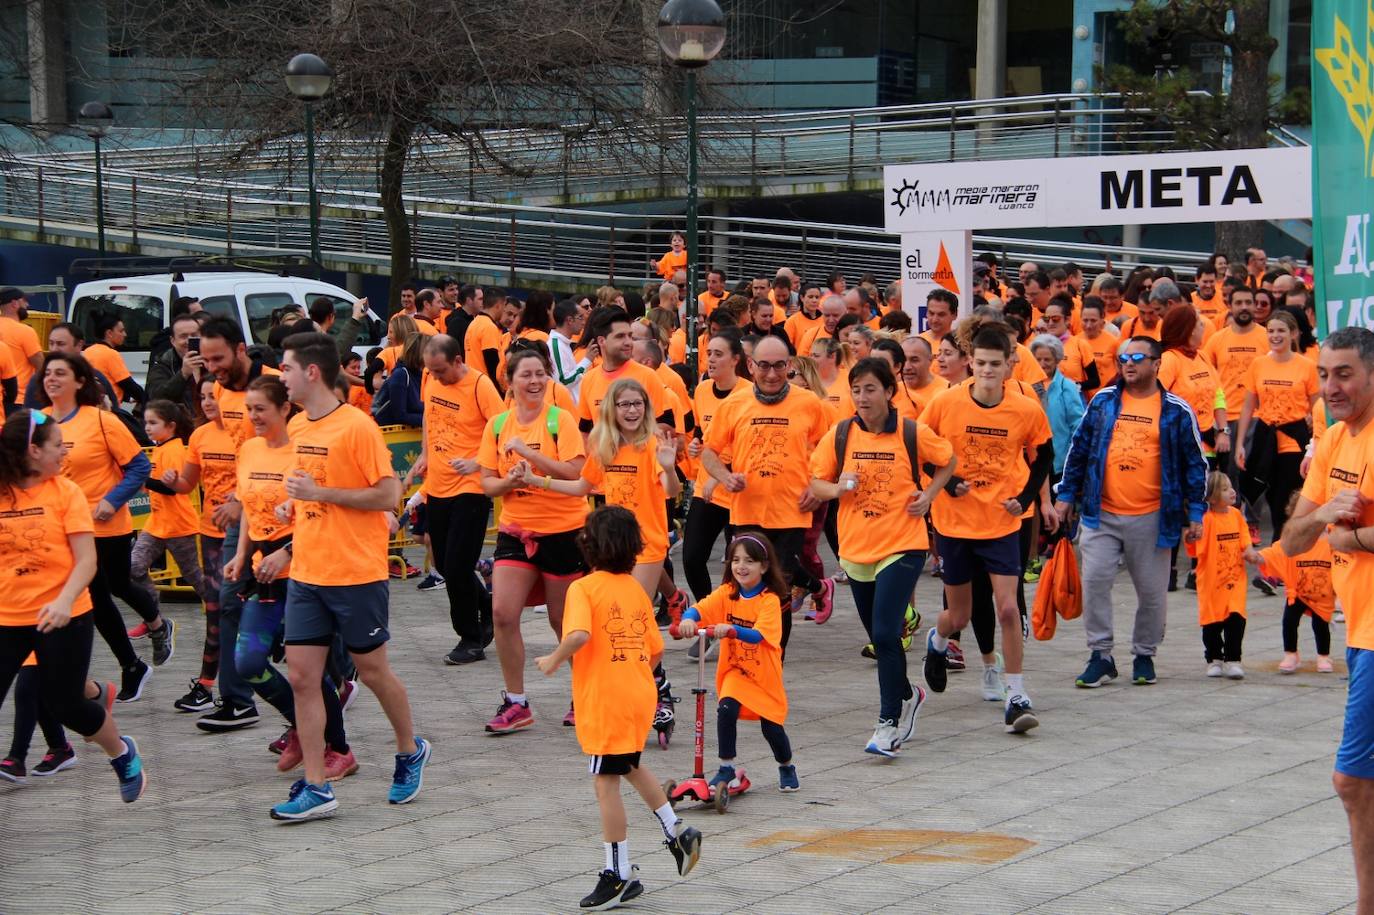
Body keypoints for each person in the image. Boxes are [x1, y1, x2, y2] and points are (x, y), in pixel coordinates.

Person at [270, 332, 429, 821]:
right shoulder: (297, 426)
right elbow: (308, 491)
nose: (282, 377)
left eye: (287, 369)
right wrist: (292, 504)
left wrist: (320, 494)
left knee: (374, 671)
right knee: (302, 677)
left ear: (311, 372)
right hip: (309, 571)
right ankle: (316, 786)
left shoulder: (357, 426)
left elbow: (386, 497)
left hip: (356, 571)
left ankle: (409, 749)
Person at [534, 505, 702, 910]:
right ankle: (675, 830)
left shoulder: (583, 588)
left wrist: (554, 659)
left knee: (604, 783)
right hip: (639, 692)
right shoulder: (635, 589)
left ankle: (618, 874)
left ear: (590, 546)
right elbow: (657, 649)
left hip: (605, 698)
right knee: (629, 765)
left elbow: (577, 634)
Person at [0, 409, 148, 802]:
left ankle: (121, 753)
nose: (64, 452)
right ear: (33, 450)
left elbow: (87, 560)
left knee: (66, 706)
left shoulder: (66, 493)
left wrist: (64, 600)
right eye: (56, 446)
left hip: (65, 615)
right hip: (7, 616)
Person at [810, 358, 955, 755]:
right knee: (878, 634)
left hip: (903, 545)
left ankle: (888, 723)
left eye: (870, 389)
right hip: (855, 549)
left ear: (889, 393)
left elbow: (948, 460)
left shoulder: (911, 432)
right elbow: (814, 483)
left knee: (886, 633)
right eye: (856, 389)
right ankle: (908, 694)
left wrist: (928, 496)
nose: (861, 397)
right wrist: (836, 489)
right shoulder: (840, 434)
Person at [920, 329, 1054, 733]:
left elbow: (1044, 453)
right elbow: (919, 448)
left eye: (996, 364)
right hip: (955, 522)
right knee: (958, 614)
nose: (987, 371)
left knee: (1009, 607)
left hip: (1001, 520)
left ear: (1010, 364)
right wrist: (944, 480)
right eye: (980, 363)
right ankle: (937, 640)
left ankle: (1016, 694)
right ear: (970, 363)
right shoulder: (946, 403)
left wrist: (1028, 496)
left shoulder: (1025, 408)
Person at [1054, 337, 1208, 689]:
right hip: (1100, 513)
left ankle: (1143, 653)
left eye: (1138, 357)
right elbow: (1079, 450)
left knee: (1152, 594)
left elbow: (1195, 465)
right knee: (1094, 584)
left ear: (1157, 364)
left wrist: (1196, 513)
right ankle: (1101, 655)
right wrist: (1066, 495)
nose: (1129, 363)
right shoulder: (1104, 402)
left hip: (1153, 517)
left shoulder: (1176, 410)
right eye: (1123, 357)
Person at [1282, 327, 1374, 910]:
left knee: (1352, 781)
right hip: (1361, 632)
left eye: (1344, 374)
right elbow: (1291, 539)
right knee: (1357, 784)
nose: (1330, 386)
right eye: (1324, 374)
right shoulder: (1336, 440)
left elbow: (1341, 535)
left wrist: (1350, 533)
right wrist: (1326, 519)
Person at [229, 376, 357, 790]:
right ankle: (300, 727)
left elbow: (319, 510)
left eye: (260, 409)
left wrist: (288, 551)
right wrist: (239, 554)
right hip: (261, 575)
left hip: (304, 571)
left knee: (310, 671)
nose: (253, 417)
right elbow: (249, 506)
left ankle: (339, 749)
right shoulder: (248, 449)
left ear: (285, 409)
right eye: (249, 409)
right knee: (248, 662)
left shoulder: (302, 451)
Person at [39, 352, 168, 701]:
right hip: (58, 529)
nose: (51, 379)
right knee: (103, 593)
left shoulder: (101, 421)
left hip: (103, 527)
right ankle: (129, 663)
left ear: (79, 381)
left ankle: (122, 667)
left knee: (100, 594)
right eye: (48, 373)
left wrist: (112, 500)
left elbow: (140, 467)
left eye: (60, 373)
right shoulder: (41, 422)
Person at [478, 345, 589, 733]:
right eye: (526, 375)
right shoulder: (496, 425)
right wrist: (509, 480)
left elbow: (576, 473)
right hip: (516, 529)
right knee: (503, 614)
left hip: (564, 532)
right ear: (509, 381)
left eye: (541, 373)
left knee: (564, 622)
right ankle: (516, 701)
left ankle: (584, 694)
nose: (535, 381)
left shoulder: (561, 421)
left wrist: (530, 456)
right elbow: (487, 482)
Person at [701, 336, 836, 648]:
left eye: (779, 366)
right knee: (743, 587)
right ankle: (743, 653)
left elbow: (831, 452)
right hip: (747, 513)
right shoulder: (734, 403)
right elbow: (709, 451)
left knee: (778, 592)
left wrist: (819, 491)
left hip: (792, 514)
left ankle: (774, 657)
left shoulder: (809, 404)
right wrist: (724, 475)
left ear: (789, 366)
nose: (772, 374)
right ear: (751, 366)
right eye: (764, 366)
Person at [676, 531, 799, 791]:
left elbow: (758, 636)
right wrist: (688, 618)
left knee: (772, 727)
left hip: (763, 675)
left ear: (764, 566)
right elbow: (702, 608)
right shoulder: (727, 593)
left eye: (749, 561)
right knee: (726, 708)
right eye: (736, 560)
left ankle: (786, 765)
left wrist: (732, 630)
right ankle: (726, 768)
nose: (741, 567)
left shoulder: (769, 601)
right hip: (736, 670)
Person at [411, 334, 505, 665]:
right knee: (441, 562)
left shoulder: (480, 386)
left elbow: (502, 429)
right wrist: (424, 452)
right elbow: (428, 416)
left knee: (458, 564)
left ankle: (470, 638)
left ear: (457, 362)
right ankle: (486, 610)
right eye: (431, 371)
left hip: (471, 487)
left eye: (441, 371)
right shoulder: (432, 378)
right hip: (438, 484)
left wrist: (479, 463)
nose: (435, 377)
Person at [161, 376, 236, 712]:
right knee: (215, 609)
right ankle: (207, 684)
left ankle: (334, 674)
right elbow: (188, 484)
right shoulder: (199, 436)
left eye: (213, 396)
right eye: (203, 397)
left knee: (248, 611)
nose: (207, 402)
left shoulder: (244, 432)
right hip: (211, 533)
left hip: (247, 535)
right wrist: (173, 482)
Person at [130, 400, 216, 677]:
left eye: (153, 423)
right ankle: (154, 618)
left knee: (197, 580)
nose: (148, 427)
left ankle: (224, 614)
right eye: (146, 422)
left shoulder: (176, 451)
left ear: (171, 426)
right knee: (133, 567)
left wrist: (141, 479)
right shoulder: (159, 449)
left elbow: (171, 490)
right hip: (156, 525)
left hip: (179, 527)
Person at [1234, 310, 1318, 547]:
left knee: (1285, 498)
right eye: (1271, 331)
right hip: (1264, 439)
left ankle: (1280, 551)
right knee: (1267, 495)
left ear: (1292, 334)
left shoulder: (1307, 366)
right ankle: (1280, 551)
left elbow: (1317, 410)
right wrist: (1240, 444)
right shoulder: (1259, 364)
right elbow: (1248, 406)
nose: (1275, 335)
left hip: (1293, 441)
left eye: (1281, 330)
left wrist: (1315, 446)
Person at [682, 331, 749, 602]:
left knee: (743, 562)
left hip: (739, 488)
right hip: (706, 488)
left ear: (735, 359)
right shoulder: (701, 390)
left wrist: (718, 475)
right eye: (709, 353)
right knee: (692, 557)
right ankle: (706, 609)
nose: (710, 359)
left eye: (718, 354)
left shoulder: (748, 393)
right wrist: (695, 446)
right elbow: (702, 431)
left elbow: (745, 444)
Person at [1187, 473, 1261, 679]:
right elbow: (1195, 547)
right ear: (1211, 497)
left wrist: (1249, 551)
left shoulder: (1236, 515)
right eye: (1225, 488)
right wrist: (1191, 537)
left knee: (1236, 618)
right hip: (1212, 583)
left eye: (1231, 487)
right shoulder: (1206, 519)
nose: (1232, 491)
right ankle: (1214, 658)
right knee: (1212, 624)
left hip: (1235, 579)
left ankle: (1233, 659)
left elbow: (1245, 538)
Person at [1256, 493, 1334, 674]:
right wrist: (1259, 557)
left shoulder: (1331, 537)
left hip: (1322, 594)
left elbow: (1343, 559)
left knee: (1320, 625)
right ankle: (1291, 654)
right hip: (1297, 592)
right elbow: (1277, 551)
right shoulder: (1294, 539)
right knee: (1289, 622)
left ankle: (1323, 656)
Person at [1030, 335, 1086, 486]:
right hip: (1029, 458)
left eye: (1047, 359)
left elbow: (1077, 424)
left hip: (1057, 461)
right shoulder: (1025, 384)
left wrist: (1074, 457)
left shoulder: (1067, 386)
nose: (1042, 364)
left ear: (1057, 360)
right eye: (1038, 359)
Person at [23, 322, 118, 408]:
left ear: (79, 345)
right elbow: (30, 419)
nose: (54, 349)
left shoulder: (96, 378)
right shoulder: (39, 379)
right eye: (51, 343)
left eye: (61, 344)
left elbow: (114, 412)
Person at [146, 311, 207, 415]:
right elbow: (157, 398)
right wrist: (183, 374)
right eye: (183, 336)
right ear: (173, 341)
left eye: (194, 335)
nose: (189, 340)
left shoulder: (212, 361)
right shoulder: (162, 365)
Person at [86, 313, 144, 407]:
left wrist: (127, 397)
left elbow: (110, 382)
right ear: (109, 333)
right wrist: (146, 399)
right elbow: (128, 384)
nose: (125, 334)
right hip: (110, 409)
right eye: (121, 331)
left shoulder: (87, 352)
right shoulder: (111, 354)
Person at [550, 298, 595, 402]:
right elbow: (564, 381)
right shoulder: (556, 345)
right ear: (569, 320)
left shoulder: (563, 343)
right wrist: (587, 361)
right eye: (580, 317)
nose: (584, 322)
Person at [0, 287, 43, 393]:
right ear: (14, 303)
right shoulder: (25, 331)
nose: (27, 305)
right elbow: (40, 365)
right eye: (24, 300)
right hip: (19, 398)